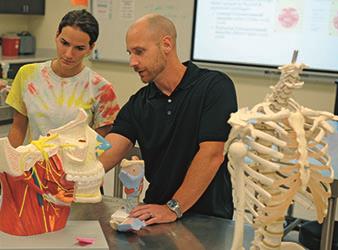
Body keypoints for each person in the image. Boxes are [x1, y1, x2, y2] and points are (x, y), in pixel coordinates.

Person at [100, 13, 237, 225]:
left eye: (139, 52)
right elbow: (109, 151)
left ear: (166, 44)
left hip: (208, 218)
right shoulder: (139, 104)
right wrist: (70, 172)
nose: (132, 62)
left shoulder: (214, 87)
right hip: (154, 213)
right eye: (130, 53)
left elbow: (212, 154)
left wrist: (173, 208)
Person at [6, 9, 119, 148]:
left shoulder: (101, 89)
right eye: (64, 43)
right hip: (35, 166)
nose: (69, 54)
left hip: (77, 168)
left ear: (91, 48)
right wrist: (8, 164)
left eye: (79, 48)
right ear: (57, 35)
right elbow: (18, 127)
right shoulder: (27, 75)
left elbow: (100, 144)